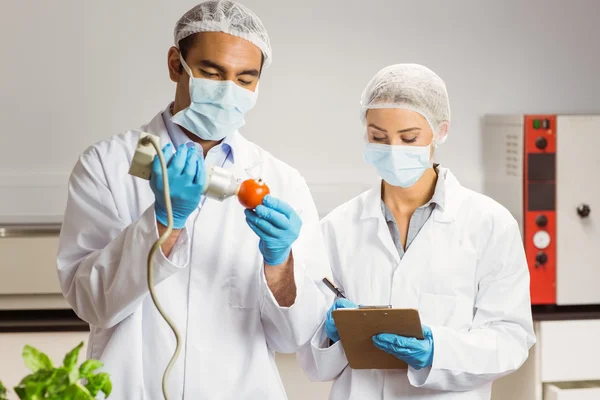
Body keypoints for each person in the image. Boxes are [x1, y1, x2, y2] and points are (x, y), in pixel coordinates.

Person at [57, 1, 331, 398]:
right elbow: (91, 301)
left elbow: (294, 336)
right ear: (175, 64)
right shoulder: (107, 164)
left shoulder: (281, 181)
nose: (228, 90)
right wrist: (165, 222)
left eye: (245, 79)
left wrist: (279, 265)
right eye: (211, 72)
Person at [298, 64, 536, 399]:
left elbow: (511, 340)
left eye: (409, 138)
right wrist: (330, 335)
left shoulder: (490, 224)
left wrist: (437, 350)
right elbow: (313, 364)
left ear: (440, 131)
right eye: (378, 138)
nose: (393, 149)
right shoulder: (337, 227)